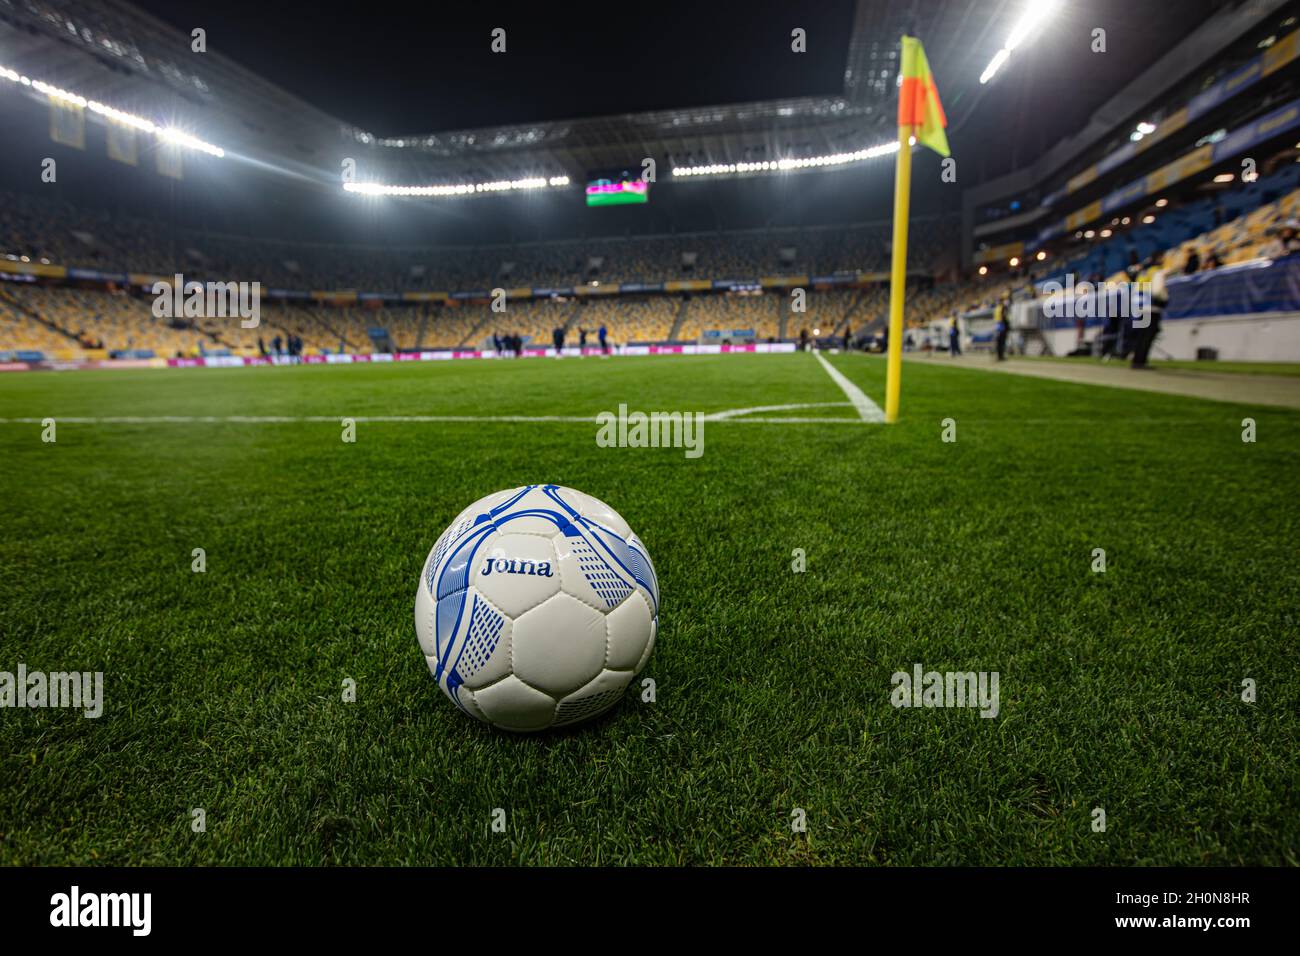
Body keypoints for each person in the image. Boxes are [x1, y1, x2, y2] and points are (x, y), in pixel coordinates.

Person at [1130, 252, 1167, 370]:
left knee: (1141, 336)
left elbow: (1135, 290)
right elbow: (1157, 291)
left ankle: (1137, 360)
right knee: (1148, 335)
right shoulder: (1156, 271)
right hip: (1152, 308)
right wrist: (1164, 299)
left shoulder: (1143, 273)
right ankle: (1141, 361)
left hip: (1140, 307)